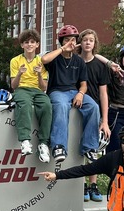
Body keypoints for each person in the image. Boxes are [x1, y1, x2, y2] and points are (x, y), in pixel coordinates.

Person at [41, 25, 100, 166]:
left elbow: (84, 85)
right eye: (67, 40)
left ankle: (89, 147)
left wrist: (80, 94)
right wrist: (63, 49)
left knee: (93, 107)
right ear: (61, 41)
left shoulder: (79, 61)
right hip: (57, 91)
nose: (70, 43)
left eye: (73, 40)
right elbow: (43, 60)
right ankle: (59, 146)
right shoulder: (55, 57)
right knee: (61, 106)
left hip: (74, 91)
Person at [77, 29, 111, 202]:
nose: (88, 43)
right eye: (85, 40)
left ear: (95, 43)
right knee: (79, 149)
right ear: (80, 43)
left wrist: (104, 121)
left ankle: (93, 184)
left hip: (94, 112)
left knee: (92, 149)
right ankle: (80, 183)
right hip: (76, 110)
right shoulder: (74, 62)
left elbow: (103, 94)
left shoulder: (100, 66)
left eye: (91, 40)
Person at [10, 29, 52, 163]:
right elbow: (14, 86)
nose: (29, 45)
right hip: (22, 89)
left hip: (37, 90)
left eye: (32, 42)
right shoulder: (15, 61)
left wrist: (39, 73)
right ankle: (25, 140)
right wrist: (19, 74)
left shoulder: (41, 61)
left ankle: (43, 143)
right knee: (25, 104)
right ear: (22, 45)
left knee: (46, 105)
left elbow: (44, 87)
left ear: (37, 44)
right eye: (26, 42)